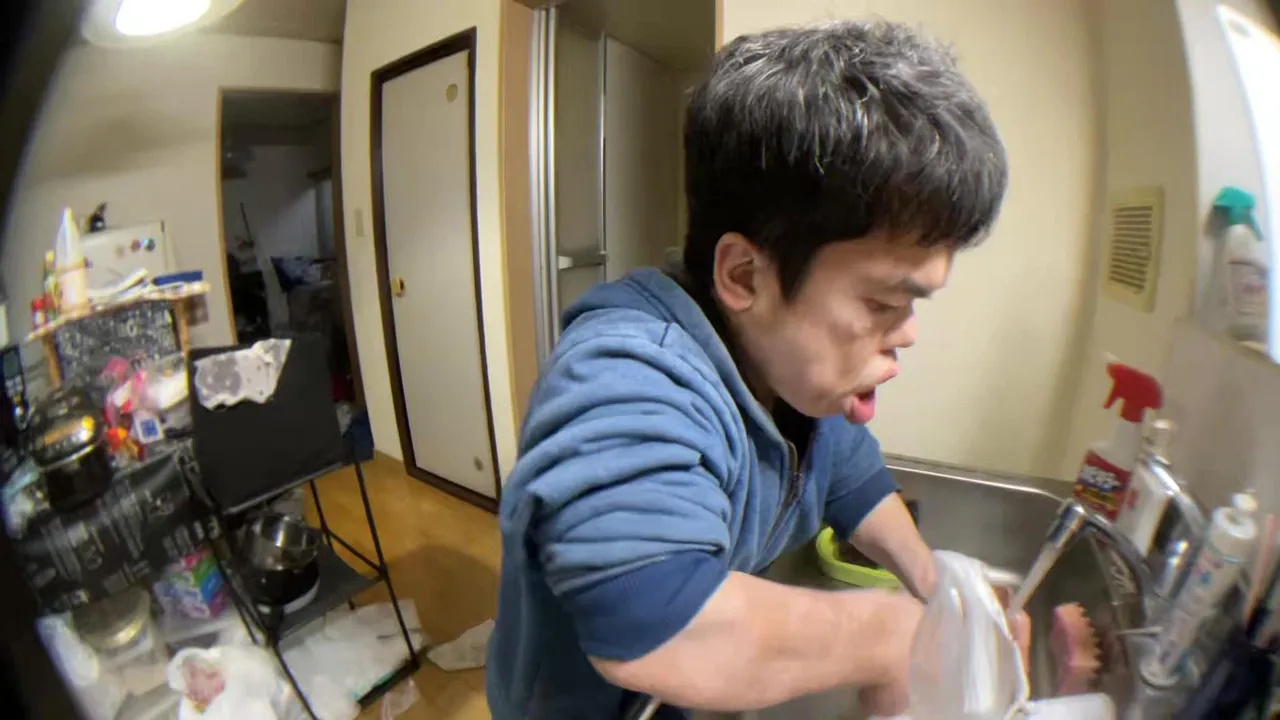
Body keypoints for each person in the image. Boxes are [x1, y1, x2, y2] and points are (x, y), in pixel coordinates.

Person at [487, 19, 1009, 719]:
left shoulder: (793, 375)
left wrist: (936, 586)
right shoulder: (628, 377)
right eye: (885, 302)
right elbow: (654, 623)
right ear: (744, 275)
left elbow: (851, 478)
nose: (907, 333)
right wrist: (897, 639)